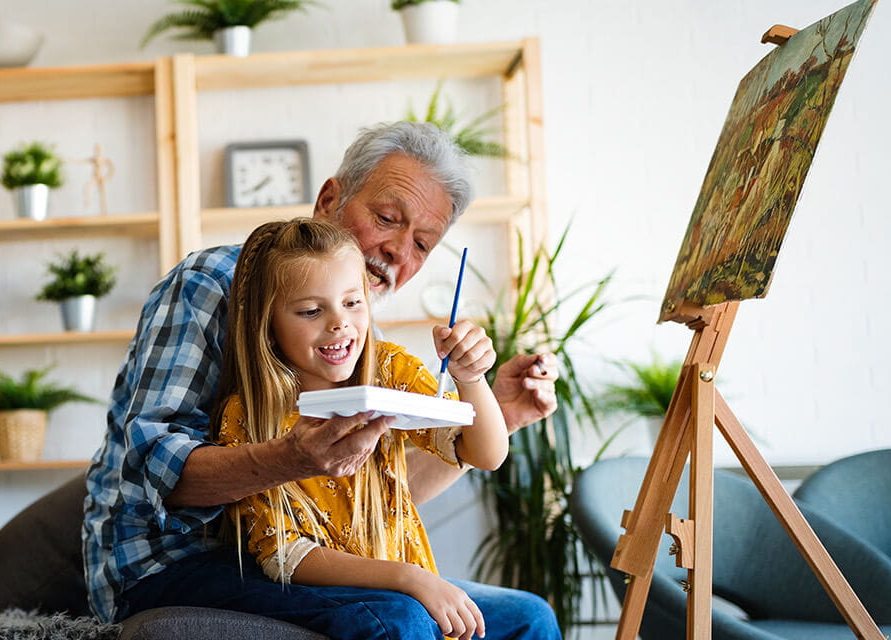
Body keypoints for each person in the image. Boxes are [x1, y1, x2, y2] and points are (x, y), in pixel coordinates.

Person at [83, 122, 560, 637]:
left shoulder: (363, 345)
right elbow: (156, 463)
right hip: (177, 560)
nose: (400, 249)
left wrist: (494, 412)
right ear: (329, 198)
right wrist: (292, 457)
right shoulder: (213, 283)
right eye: (386, 218)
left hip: (323, 559)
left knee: (529, 616)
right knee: (398, 617)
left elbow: (368, 492)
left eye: (422, 243)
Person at [212, 217, 514, 640]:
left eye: (353, 302)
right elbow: (287, 556)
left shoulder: (388, 369)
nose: (339, 323)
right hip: (351, 597)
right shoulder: (248, 415)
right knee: (402, 620)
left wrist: (471, 378)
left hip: (410, 587)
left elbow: (485, 453)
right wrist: (410, 578)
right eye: (311, 310)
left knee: (530, 617)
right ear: (268, 322)